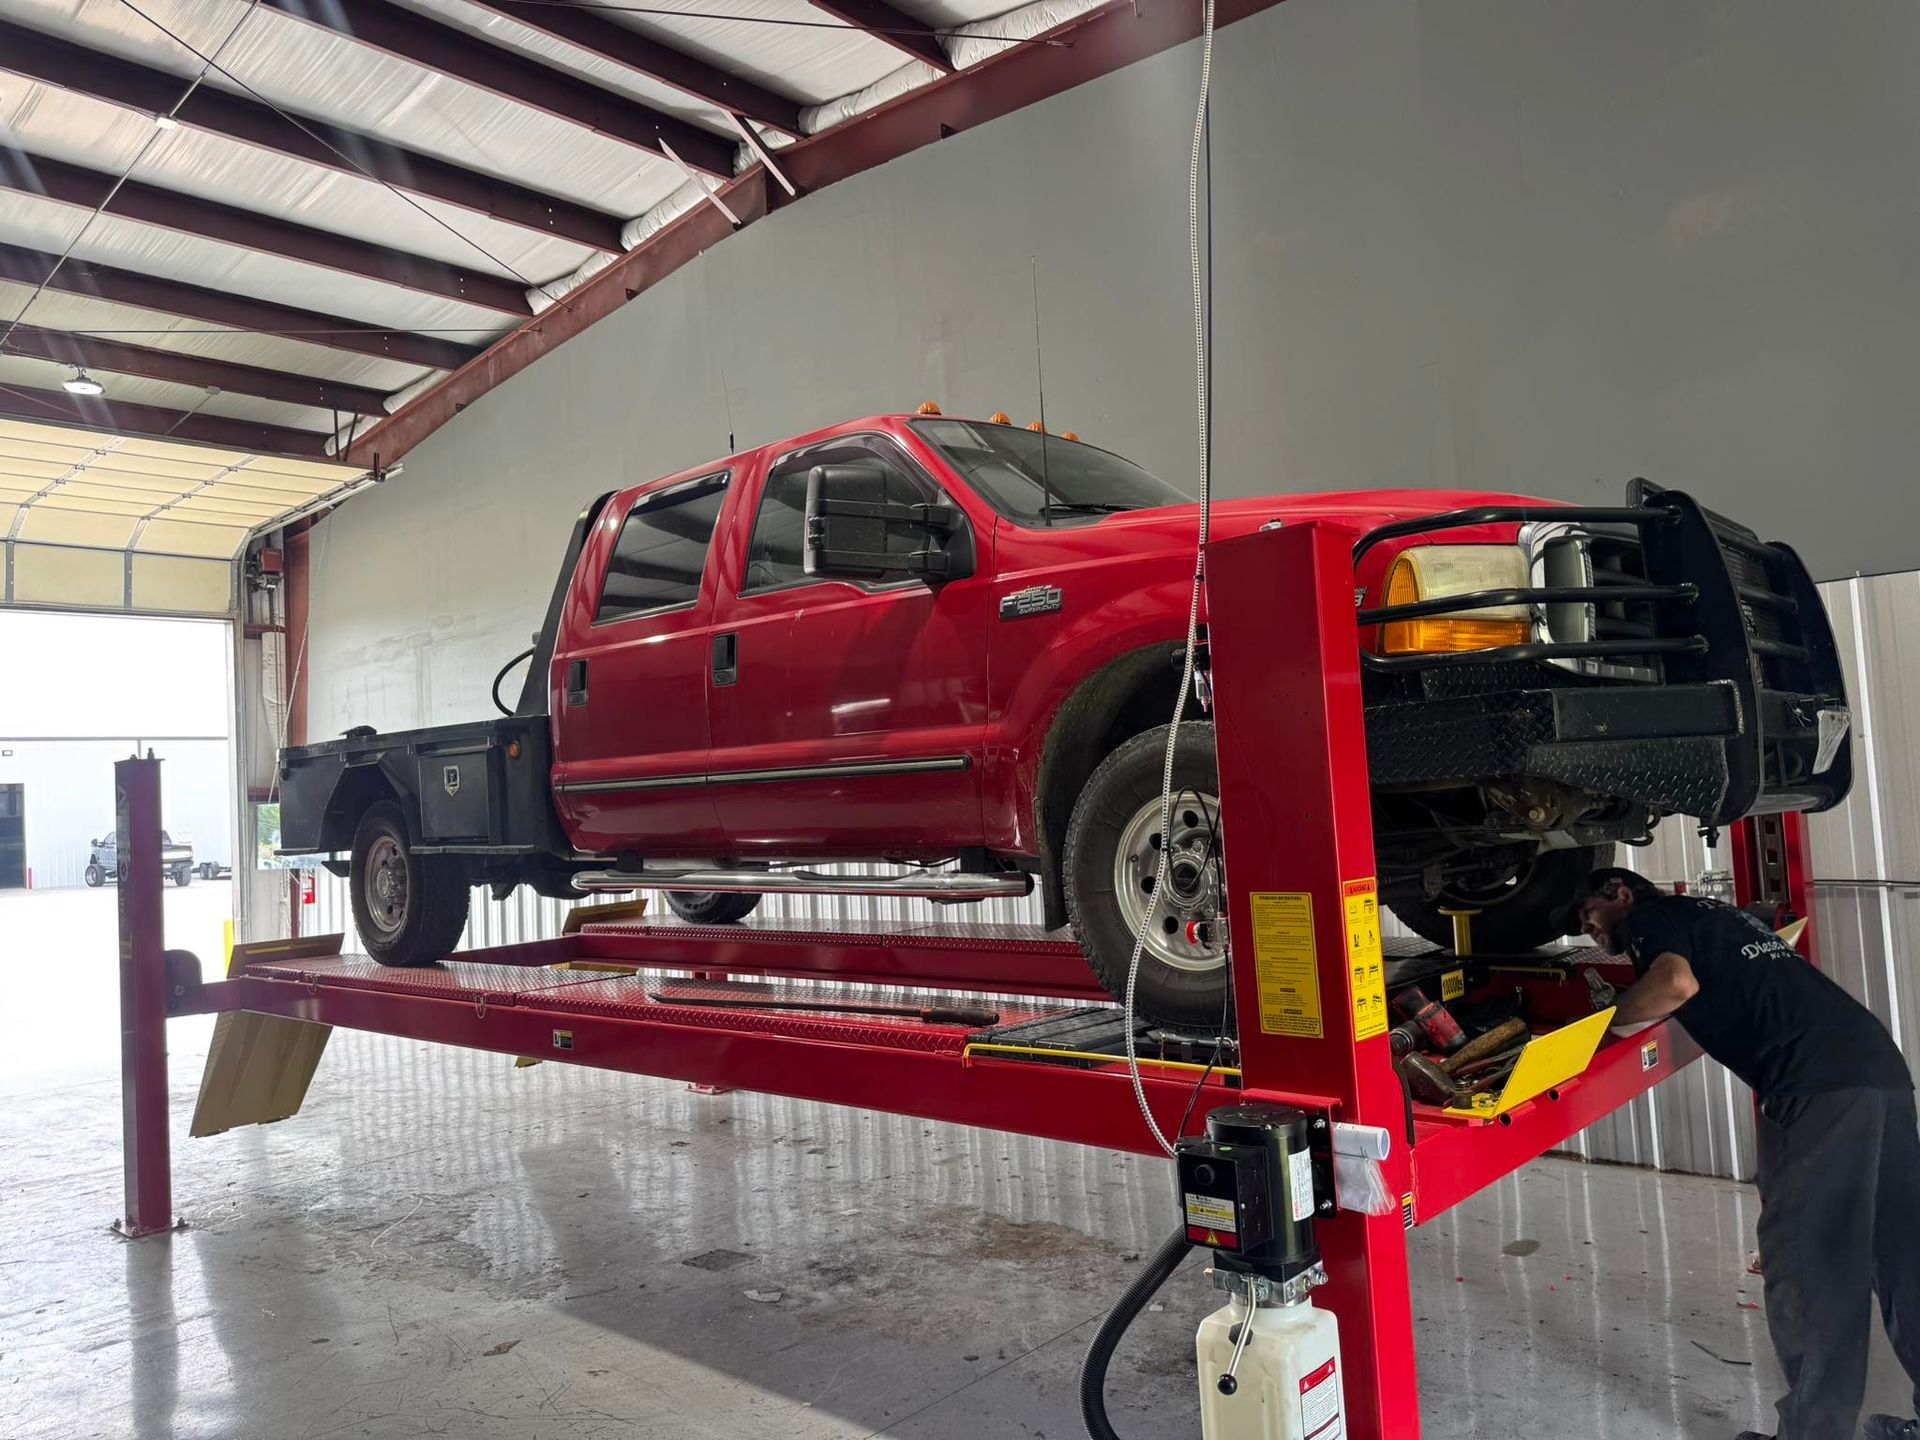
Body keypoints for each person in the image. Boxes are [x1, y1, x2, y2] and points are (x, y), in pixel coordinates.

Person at [1561, 867, 1920, 1440]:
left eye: (1587, 912)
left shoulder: (1651, 920)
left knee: (1810, 1265)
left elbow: (1675, 983)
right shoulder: (1713, 915)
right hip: (1878, 1069)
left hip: (1815, 1086)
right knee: (1902, 1252)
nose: (1585, 928)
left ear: (1621, 894)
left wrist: (1597, 1030)